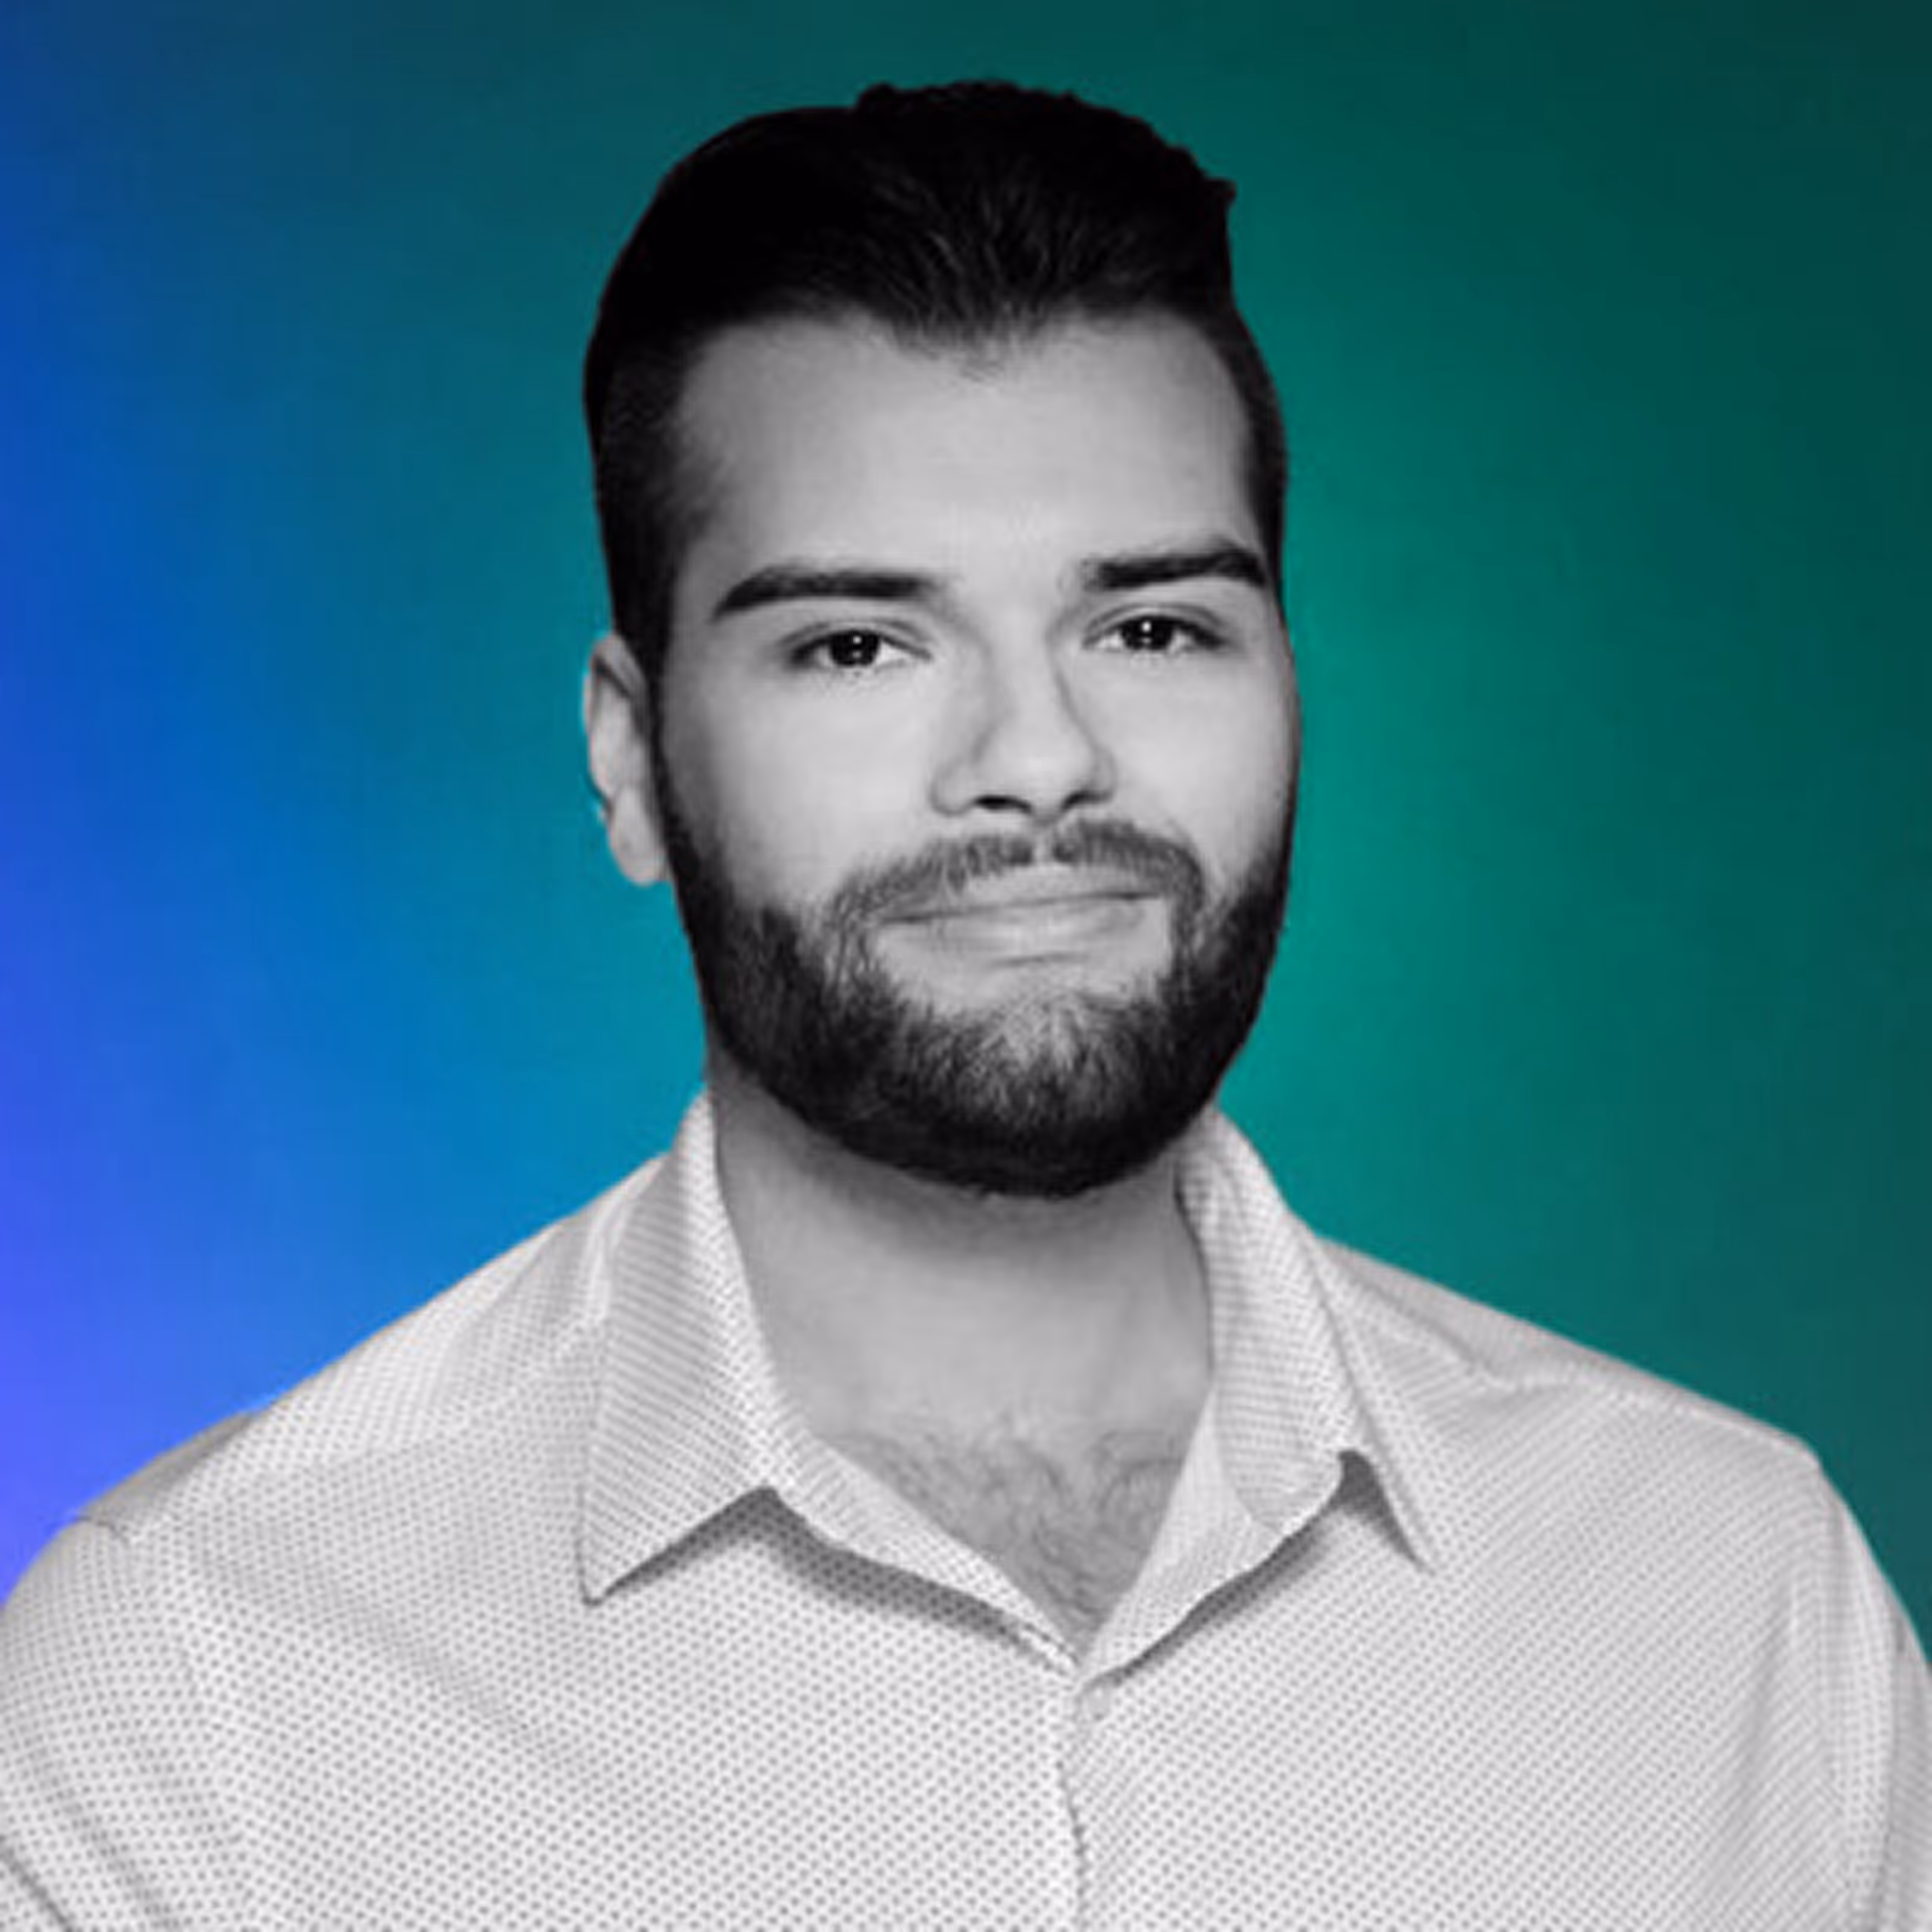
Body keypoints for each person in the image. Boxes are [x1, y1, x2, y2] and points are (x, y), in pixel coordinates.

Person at [2, 80, 1924, 1929]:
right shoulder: (200, 1673)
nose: (1034, 760)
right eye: (855, 641)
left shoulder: (1731, 1588)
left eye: (1150, 625)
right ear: (630, 758)